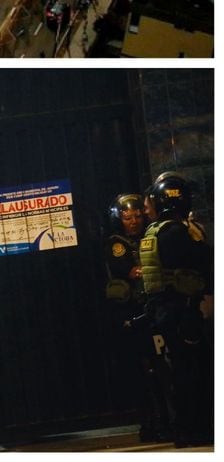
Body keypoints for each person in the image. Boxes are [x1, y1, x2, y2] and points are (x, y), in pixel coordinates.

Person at [139, 172, 212, 446]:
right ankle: (193, 429)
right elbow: (203, 262)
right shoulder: (176, 232)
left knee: (180, 370)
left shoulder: (154, 231)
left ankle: (185, 428)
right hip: (182, 309)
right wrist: (199, 237)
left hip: (165, 310)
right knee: (193, 370)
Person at [105, 193, 161, 440]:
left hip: (154, 308)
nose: (134, 222)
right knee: (140, 369)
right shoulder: (117, 244)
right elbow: (130, 271)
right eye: (128, 218)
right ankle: (149, 422)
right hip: (132, 311)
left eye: (137, 216)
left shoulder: (151, 237)